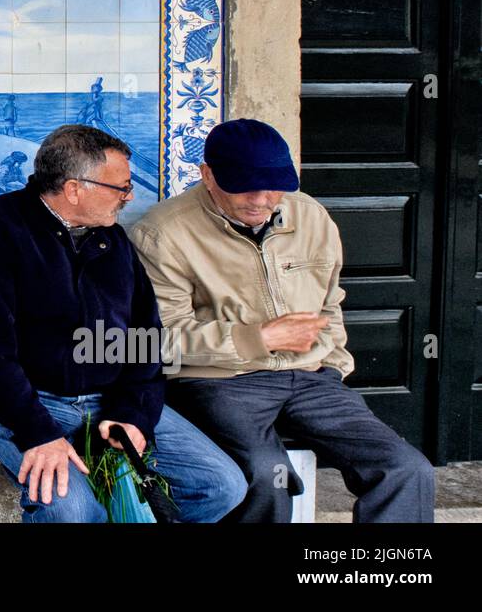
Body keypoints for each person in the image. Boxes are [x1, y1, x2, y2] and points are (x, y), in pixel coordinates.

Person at [132, 118, 436, 523]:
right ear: (207, 175)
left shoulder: (310, 216)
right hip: (220, 380)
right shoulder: (162, 232)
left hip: (311, 375)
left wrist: (335, 363)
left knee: (405, 468)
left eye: (274, 185)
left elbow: (330, 301)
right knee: (267, 476)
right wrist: (258, 338)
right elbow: (165, 338)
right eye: (244, 186)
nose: (261, 199)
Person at [0, 124, 247, 522]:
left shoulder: (112, 239)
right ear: (74, 189)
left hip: (104, 398)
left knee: (220, 485)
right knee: (73, 511)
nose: (129, 196)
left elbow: (143, 334)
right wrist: (39, 434)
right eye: (121, 187)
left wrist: (133, 414)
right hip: (16, 400)